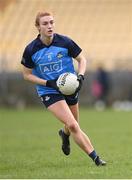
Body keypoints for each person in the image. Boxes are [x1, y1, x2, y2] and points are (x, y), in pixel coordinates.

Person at [21, 11, 106, 166]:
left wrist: (80, 77)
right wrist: (48, 83)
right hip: (49, 91)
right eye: (45, 23)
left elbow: (82, 59)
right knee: (73, 125)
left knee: (73, 125)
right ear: (38, 27)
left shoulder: (65, 42)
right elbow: (26, 75)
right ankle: (96, 158)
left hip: (70, 88)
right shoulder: (31, 49)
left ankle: (64, 135)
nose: (50, 26)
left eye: (52, 22)